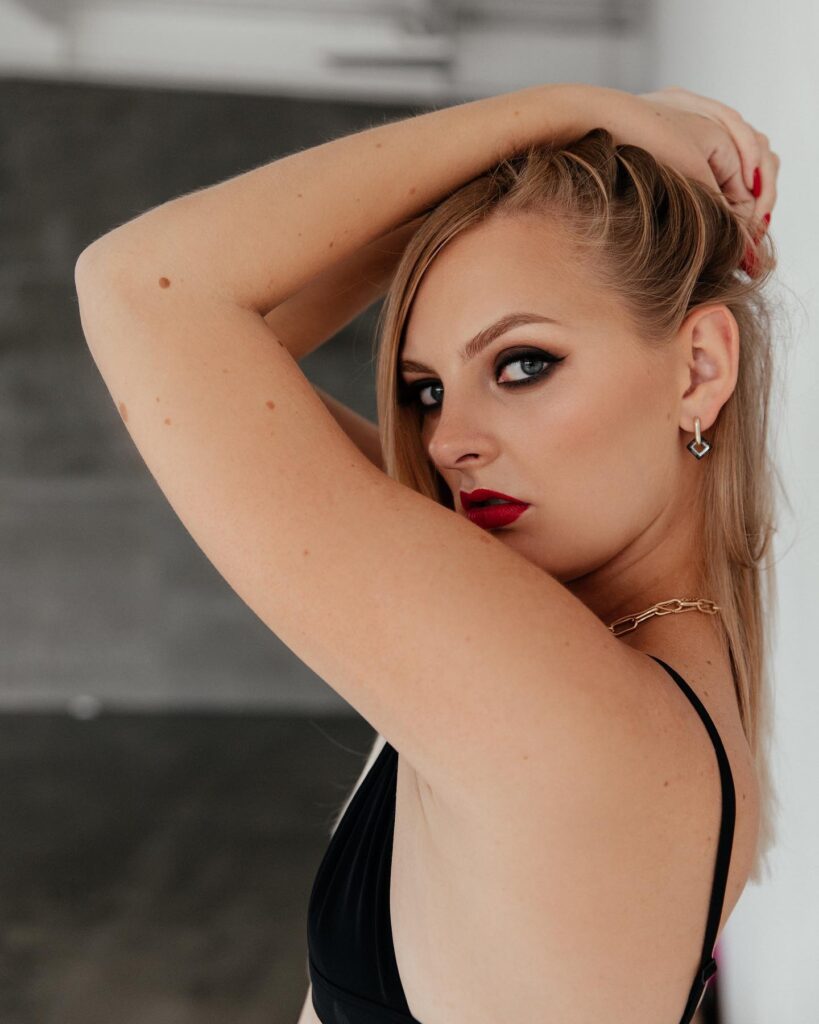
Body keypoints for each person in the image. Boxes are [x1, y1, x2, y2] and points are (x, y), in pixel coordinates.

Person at [74, 82, 781, 1023]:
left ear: (698, 369)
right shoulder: (596, 657)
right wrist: (513, 176)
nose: (449, 442)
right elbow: (224, 364)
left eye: (522, 364)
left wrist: (561, 109)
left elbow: (143, 291)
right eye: (426, 391)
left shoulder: (567, 704)